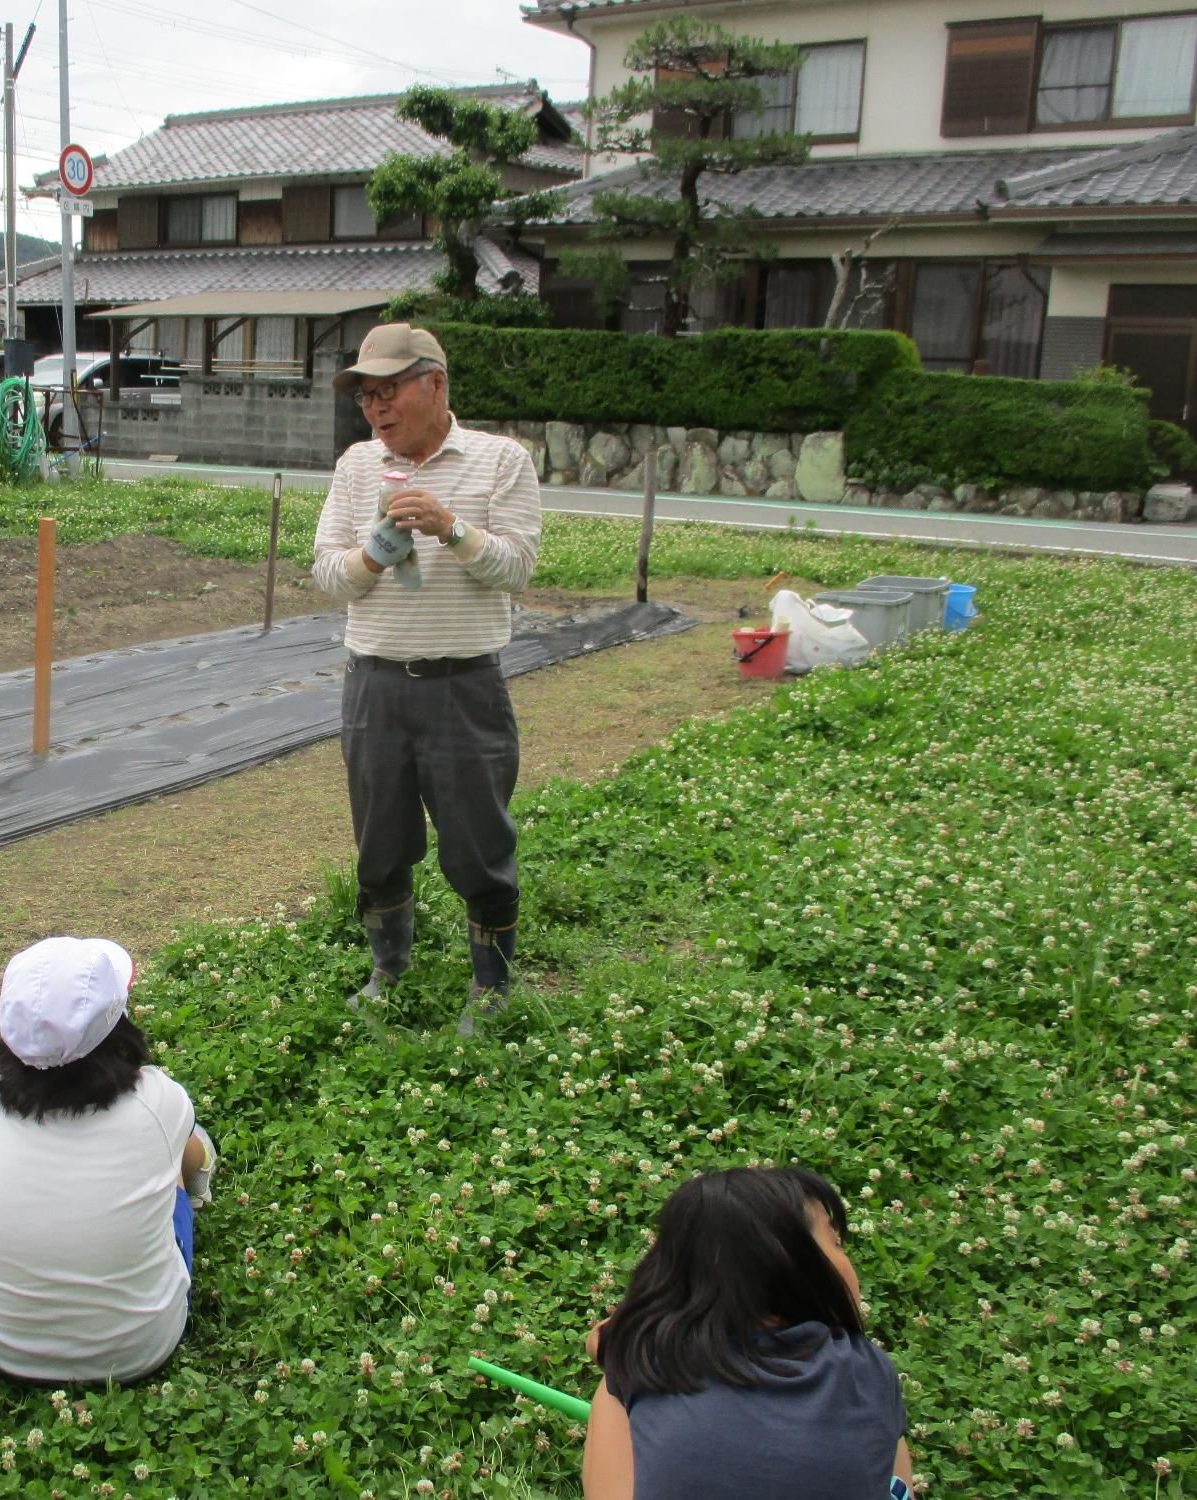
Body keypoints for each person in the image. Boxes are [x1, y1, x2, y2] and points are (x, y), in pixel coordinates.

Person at [311, 323, 542, 1034]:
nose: (377, 409)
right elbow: (326, 576)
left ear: (435, 385)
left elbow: (518, 568)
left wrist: (450, 528)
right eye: (367, 397)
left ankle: (492, 986)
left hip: (464, 687)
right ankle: (389, 967)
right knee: (379, 841)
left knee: (478, 842)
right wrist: (373, 555)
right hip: (375, 687)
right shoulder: (356, 467)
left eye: (389, 391)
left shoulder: (500, 461)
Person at [0, 936, 215, 1384]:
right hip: (138, 1348)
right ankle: (199, 1198)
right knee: (187, 1148)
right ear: (117, 1022)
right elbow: (185, 1158)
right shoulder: (157, 1100)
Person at [580, 1166, 915, 1500]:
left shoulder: (651, 1361)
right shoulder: (866, 1369)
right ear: (789, 1266)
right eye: (837, 1243)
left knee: (615, 1386)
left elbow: (605, 1338)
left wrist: (617, 1354)